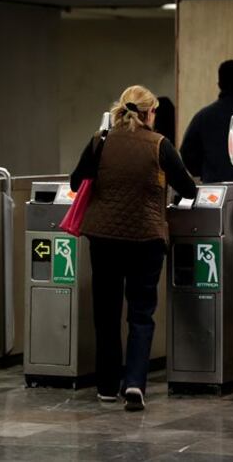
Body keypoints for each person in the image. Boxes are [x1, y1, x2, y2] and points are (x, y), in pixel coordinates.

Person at [70, 86, 197, 412]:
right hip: (145, 239)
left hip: (104, 238)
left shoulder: (101, 140)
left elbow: (75, 182)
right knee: (141, 314)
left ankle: (106, 387)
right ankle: (136, 384)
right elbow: (188, 188)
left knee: (107, 313)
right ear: (148, 113)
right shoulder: (160, 145)